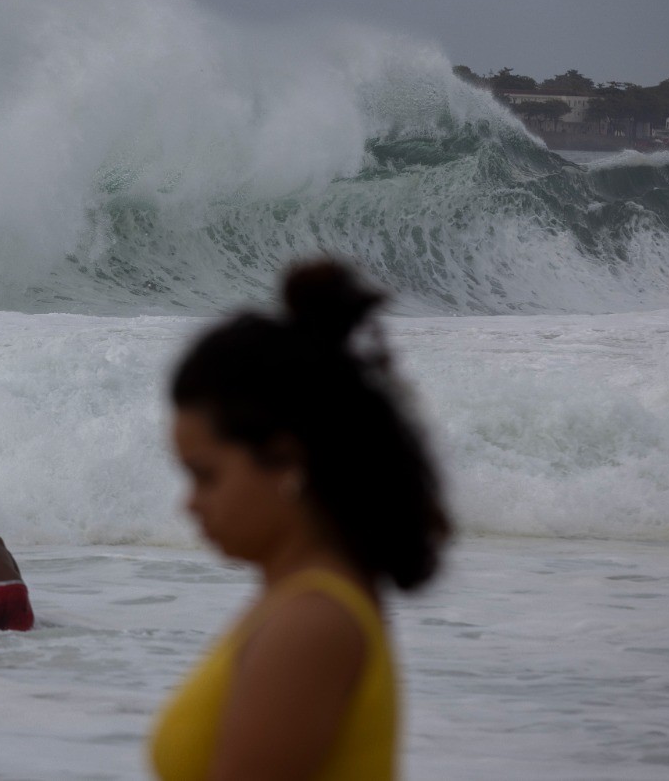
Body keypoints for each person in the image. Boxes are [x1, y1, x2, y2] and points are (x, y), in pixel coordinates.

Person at [151, 260, 450, 781]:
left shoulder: (311, 623)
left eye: (206, 476)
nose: (190, 505)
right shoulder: (302, 600)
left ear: (287, 461)